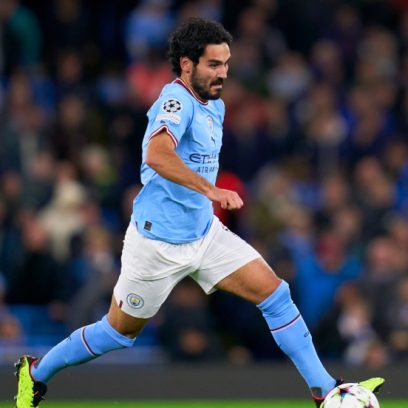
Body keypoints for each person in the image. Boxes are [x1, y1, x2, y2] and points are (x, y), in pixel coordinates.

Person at [14, 17, 384, 408]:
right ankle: (36, 373)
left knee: (276, 294)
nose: (223, 73)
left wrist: (207, 198)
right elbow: (157, 154)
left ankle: (325, 390)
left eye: (226, 64)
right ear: (187, 64)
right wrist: (211, 190)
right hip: (157, 245)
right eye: (213, 64)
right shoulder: (175, 102)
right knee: (117, 333)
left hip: (203, 234)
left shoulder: (216, 106)